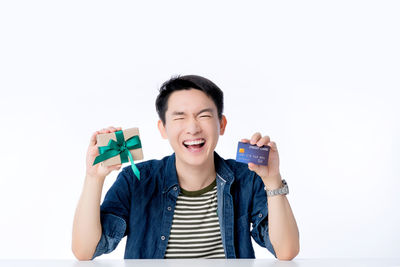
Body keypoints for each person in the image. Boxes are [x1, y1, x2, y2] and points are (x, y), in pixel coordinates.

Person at [72, 75, 299, 260]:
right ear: (163, 128)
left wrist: (272, 180)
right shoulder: (137, 180)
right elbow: (85, 251)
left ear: (221, 124)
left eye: (203, 115)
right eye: (179, 117)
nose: (192, 128)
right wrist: (94, 178)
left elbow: (286, 251)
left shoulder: (247, 178)